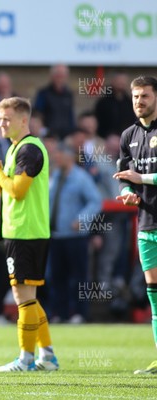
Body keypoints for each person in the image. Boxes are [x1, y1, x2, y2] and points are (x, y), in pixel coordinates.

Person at [0, 96, 59, 372]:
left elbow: (17, 191)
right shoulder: (14, 149)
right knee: (29, 297)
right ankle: (46, 355)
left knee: (23, 297)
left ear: (24, 120)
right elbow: (7, 190)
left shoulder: (30, 150)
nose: (1, 123)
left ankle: (25, 359)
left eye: (7, 118)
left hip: (27, 232)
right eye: (0, 118)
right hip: (19, 231)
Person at [113, 75, 157, 374]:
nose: (139, 102)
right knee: (153, 293)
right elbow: (124, 178)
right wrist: (128, 193)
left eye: (145, 96)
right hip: (145, 223)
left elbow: (137, 177)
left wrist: (140, 180)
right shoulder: (128, 135)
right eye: (135, 97)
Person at [46, 143, 102, 323]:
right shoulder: (54, 176)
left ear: (70, 157)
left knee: (78, 277)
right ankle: (59, 313)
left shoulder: (81, 178)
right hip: (56, 235)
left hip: (75, 236)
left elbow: (95, 201)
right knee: (57, 277)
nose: (56, 158)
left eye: (59, 154)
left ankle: (79, 313)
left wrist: (82, 219)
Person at [34, 64, 75, 139]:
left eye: (62, 76)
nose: (60, 79)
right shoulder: (43, 93)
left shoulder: (69, 94)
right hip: (48, 137)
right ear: (52, 76)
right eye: (58, 76)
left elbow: (70, 116)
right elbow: (37, 114)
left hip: (66, 137)